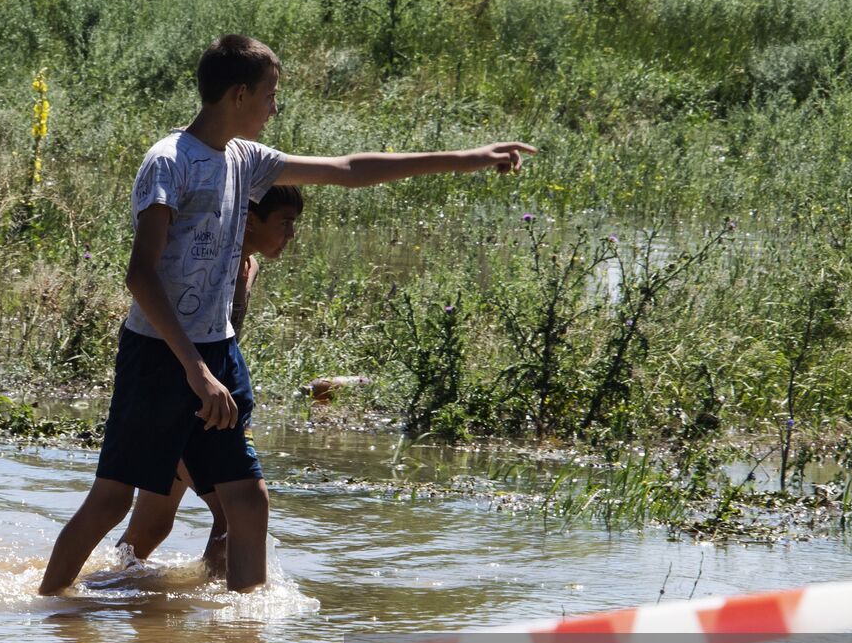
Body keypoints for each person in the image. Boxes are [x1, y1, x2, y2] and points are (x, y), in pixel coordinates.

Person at [38, 34, 532, 596]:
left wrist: (466, 158)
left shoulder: (246, 161)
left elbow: (349, 168)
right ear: (240, 93)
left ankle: (245, 628)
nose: (276, 107)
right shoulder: (168, 163)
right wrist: (195, 373)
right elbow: (140, 276)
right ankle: (45, 613)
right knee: (110, 502)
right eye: (272, 94)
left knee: (247, 500)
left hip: (216, 351)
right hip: (159, 356)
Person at [114, 184, 304, 579]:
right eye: (285, 223)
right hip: (184, 399)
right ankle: (223, 617)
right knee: (234, 512)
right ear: (250, 220)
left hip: (208, 399)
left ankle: (102, 591)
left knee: (151, 526)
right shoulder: (211, 262)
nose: (291, 234)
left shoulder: (248, 266)